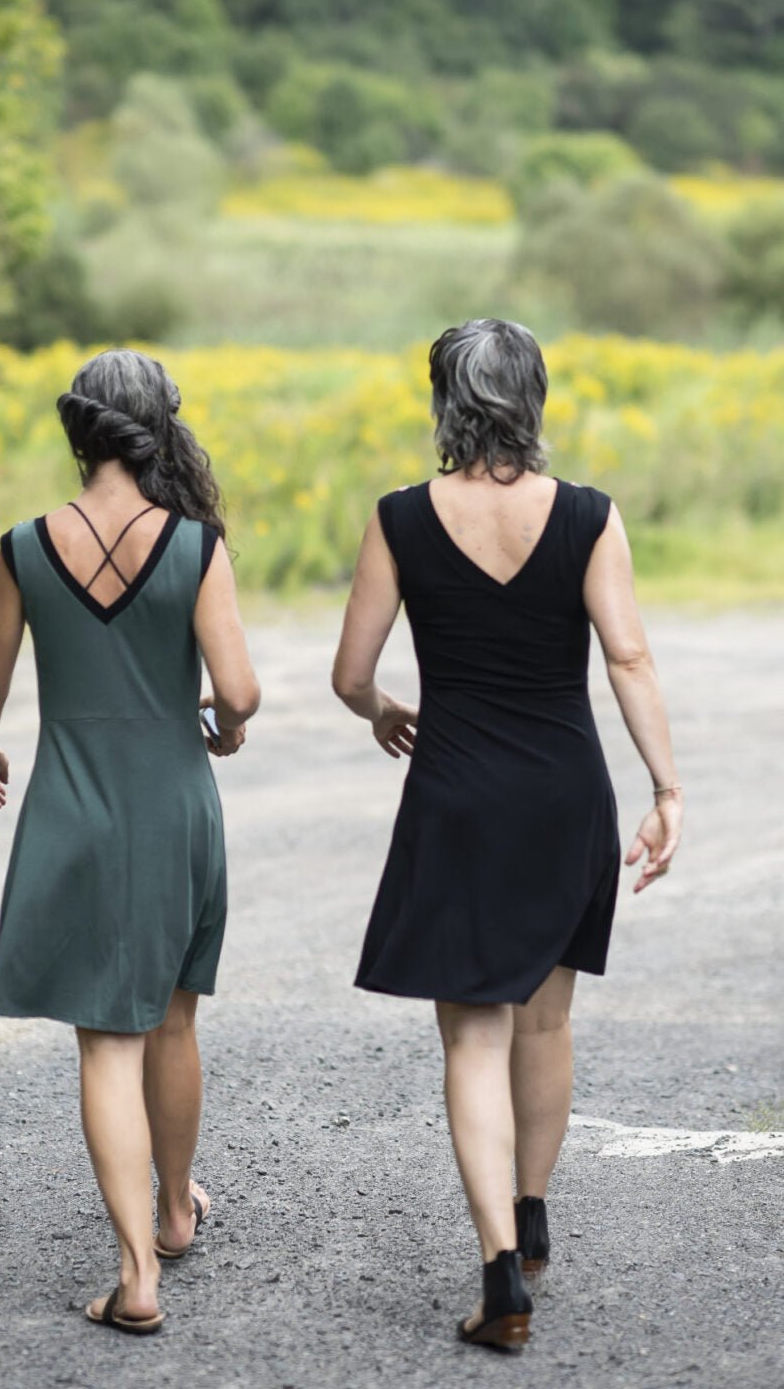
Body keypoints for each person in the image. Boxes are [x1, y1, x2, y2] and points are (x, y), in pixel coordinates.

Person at [332, 318, 682, 1351]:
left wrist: (383, 709)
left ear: (442, 401)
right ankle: (531, 1208)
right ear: (531, 399)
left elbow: (350, 673)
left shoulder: (400, 517)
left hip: (455, 797)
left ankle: (498, 1275)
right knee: (543, 1020)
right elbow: (627, 659)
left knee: (471, 1037)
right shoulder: (586, 515)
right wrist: (666, 787)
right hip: (563, 796)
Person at [0, 347, 260, 1335]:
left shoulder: (24, 544)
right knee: (172, 1020)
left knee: (106, 1040)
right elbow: (240, 687)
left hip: (75, 807)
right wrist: (229, 723)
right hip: (174, 803)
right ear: (155, 427)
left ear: (76, 431)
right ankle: (175, 1213)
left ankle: (139, 1271)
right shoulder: (193, 544)